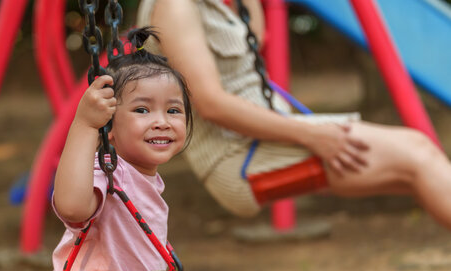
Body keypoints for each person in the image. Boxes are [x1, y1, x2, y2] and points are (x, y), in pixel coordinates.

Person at [136, 0, 451, 230]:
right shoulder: (174, 7)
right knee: (418, 154)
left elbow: (253, 39)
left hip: (264, 139)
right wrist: (313, 135)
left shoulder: (213, 5)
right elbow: (210, 103)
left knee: (416, 166)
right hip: (238, 157)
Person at [37, 28, 225, 271]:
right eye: (142, 110)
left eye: (173, 110)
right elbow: (72, 206)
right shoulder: (108, 173)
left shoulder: (146, 177)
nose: (161, 122)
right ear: (108, 123)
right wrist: (83, 125)